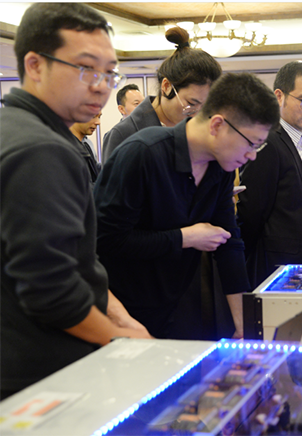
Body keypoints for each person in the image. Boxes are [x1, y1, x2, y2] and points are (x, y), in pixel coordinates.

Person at [0, 3, 151, 401]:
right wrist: (122, 340)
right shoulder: (41, 148)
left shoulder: (16, 129)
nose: (101, 86)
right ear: (35, 65)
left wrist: (119, 317)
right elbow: (50, 290)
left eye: (109, 72)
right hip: (39, 373)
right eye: (86, 69)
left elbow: (73, 262)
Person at [94, 73, 279, 340]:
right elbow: (105, 242)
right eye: (251, 144)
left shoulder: (220, 168)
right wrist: (185, 237)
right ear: (217, 125)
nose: (251, 156)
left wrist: (244, 325)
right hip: (120, 314)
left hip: (174, 307)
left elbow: (228, 242)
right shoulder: (143, 153)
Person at [238, 62, 302, 288]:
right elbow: (252, 214)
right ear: (279, 96)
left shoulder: (296, 139)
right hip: (278, 271)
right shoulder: (268, 141)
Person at [101, 26, 221, 162]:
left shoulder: (201, 131)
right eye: (191, 103)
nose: (195, 115)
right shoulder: (124, 134)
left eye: (205, 107)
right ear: (167, 86)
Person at [70, 111, 102, 182]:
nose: (98, 122)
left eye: (99, 117)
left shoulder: (86, 145)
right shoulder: (65, 148)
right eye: (93, 116)